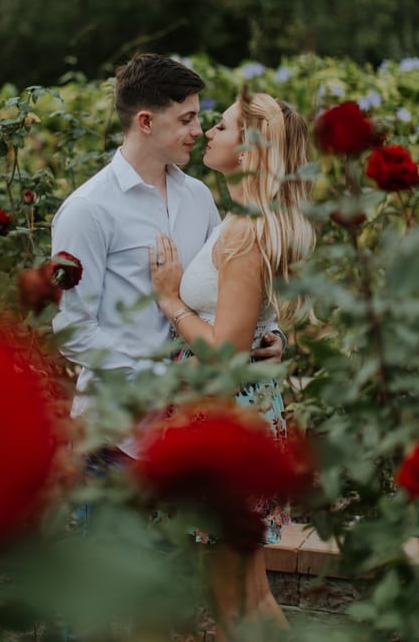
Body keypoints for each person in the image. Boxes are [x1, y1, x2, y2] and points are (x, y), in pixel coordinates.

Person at [149, 91, 315, 638]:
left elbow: (224, 351)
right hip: (229, 410)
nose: (208, 134)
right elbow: (246, 326)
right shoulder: (241, 222)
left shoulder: (243, 233)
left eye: (221, 126)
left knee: (234, 603)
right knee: (245, 594)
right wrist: (274, 337)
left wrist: (170, 299)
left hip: (224, 416)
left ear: (248, 150)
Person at [51, 54, 284, 430]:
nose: (199, 129)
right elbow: (73, 329)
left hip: (188, 426)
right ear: (146, 122)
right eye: (186, 119)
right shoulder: (87, 209)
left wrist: (270, 338)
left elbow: (225, 289)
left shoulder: (197, 196)